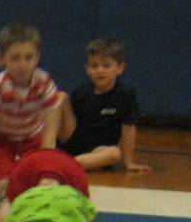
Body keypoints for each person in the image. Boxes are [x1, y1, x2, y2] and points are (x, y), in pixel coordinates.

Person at [0, 22, 61, 203]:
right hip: (4, 142)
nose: (22, 64)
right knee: (7, 184)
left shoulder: (44, 82)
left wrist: (45, 169)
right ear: (2, 59)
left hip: (32, 139)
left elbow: (51, 130)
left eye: (28, 57)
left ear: (37, 57)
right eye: (15, 58)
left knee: (41, 178)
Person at [57, 37, 151, 173]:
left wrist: (128, 162)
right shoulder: (81, 92)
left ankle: (72, 164)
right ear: (87, 69)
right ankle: (53, 153)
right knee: (61, 97)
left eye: (106, 65)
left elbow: (129, 128)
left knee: (114, 153)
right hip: (74, 143)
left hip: (99, 150)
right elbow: (67, 124)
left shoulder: (126, 94)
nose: (100, 70)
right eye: (94, 66)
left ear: (120, 68)